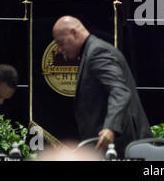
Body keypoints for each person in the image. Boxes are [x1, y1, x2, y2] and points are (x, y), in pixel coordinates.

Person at [52, 16, 152, 158]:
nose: (59, 49)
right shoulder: (91, 51)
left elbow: (120, 91)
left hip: (122, 146)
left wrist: (110, 128)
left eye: (60, 43)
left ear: (74, 33)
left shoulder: (97, 52)